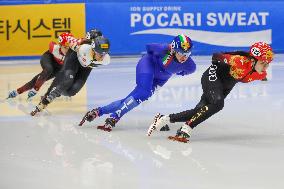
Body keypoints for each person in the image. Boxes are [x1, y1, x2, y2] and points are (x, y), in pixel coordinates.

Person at [147, 42, 274, 143]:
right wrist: (217, 65)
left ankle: (163, 119)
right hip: (213, 76)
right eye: (263, 62)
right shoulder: (239, 61)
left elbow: (254, 74)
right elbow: (216, 55)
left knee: (199, 111)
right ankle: (186, 128)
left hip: (226, 85)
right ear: (253, 60)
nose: (266, 66)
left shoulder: (261, 73)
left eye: (267, 63)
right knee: (218, 103)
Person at [79, 34, 197, 132]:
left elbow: (185, 71)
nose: (184, 57)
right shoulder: (163, 49)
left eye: (187, 54)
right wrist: (164, 50)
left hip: (161, 79)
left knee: (131, 99)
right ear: (174, 49)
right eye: (181, 53)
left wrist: (177, 71)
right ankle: (114, 117)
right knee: (143, 92)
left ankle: (98, 111)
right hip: (148, 65)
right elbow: (148, 48)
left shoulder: (191, 66)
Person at [6, 29, 103, 100]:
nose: (67, 50)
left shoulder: (75, 53)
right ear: (60, 45)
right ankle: (35, 89)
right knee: (48, 70)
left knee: (55, 80)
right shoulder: (54, 48)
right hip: (49, 58)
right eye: (64, 47)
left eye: (68, 48)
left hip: (59, 66)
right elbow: (74, 40)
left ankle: (19, 91)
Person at [30, 35, 111, 116]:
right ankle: (45, 101)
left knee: (71, 92)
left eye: (104, 54)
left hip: (86, 68)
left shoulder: (106, 60)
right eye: (99, 54)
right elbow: (71, 42)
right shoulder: (83, 49)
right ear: (93, 50)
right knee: (67, 81)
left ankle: (58, 89)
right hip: (74, 59)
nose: (101, 57)